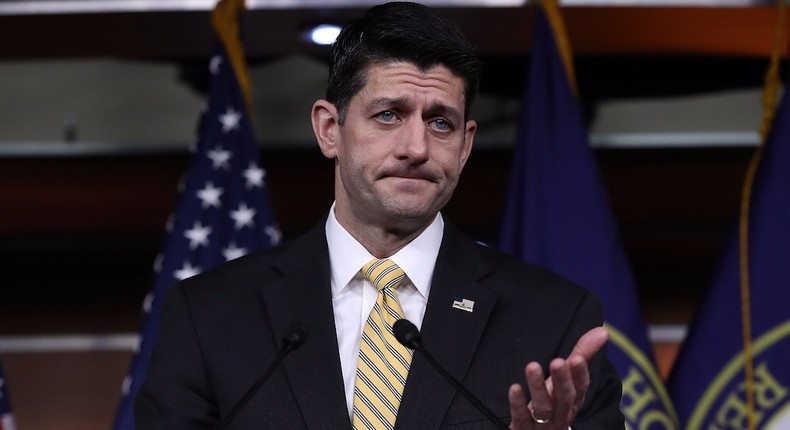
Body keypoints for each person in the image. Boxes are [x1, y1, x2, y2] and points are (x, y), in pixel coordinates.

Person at [134, 2, 624, 429]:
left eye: (440, 123)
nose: (416, 148)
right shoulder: (210, 316)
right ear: (330, 129)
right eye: (388, 114)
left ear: (466, 144)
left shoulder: (555, 322)